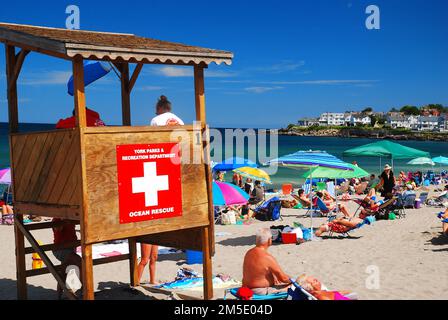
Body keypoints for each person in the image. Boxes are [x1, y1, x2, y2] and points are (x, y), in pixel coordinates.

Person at [137, 95, 185, 286]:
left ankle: (145, 280)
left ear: (159, 108)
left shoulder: (156, 120)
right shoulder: (180, 120)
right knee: (149, 256)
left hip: (159, 161)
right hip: (176, 163)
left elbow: (151, 140)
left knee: (151, 256)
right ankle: (145, 280)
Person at [242, 228, 291, 295]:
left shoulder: (249, 252)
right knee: (294, 287)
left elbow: (258, 270)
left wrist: (273, 277)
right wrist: (294, 280)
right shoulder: (267, 257)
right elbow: (284, 279)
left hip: (246, 287)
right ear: (269, 240)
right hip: (259, 291)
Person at [52, 218, 82, 299]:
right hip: (62, 249)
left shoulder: (68, 217)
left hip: (69, 248)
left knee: (63, 271)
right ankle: (82, 289)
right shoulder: (57, 219)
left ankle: (60, 295)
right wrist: (64, 222)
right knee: (79, 262)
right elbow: (58, 228)